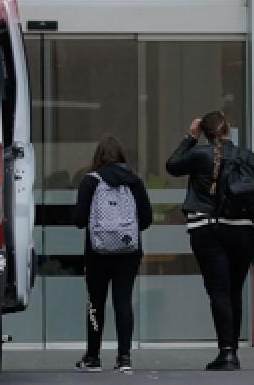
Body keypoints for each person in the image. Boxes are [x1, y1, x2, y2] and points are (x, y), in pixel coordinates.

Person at [166, 111, 254, 372]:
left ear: (205, 133)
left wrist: (190, 138)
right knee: (234, 291)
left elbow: (172, 165)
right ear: (228, 130)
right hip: (242, 231)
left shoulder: (199, 154)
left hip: (207, 230)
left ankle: (226, 353)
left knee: (218, 291)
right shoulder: (246, 156)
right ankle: (231, 352)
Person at [73, 135, 153, 374]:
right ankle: (124, 357)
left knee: (95, 302)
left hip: (97, 252)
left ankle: (93, 357)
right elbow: (146, 220)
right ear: (122, 156)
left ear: (98, 156)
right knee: (123, 301)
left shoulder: (90, 181)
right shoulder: (135, 182)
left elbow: (79, 220)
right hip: (129, 252)